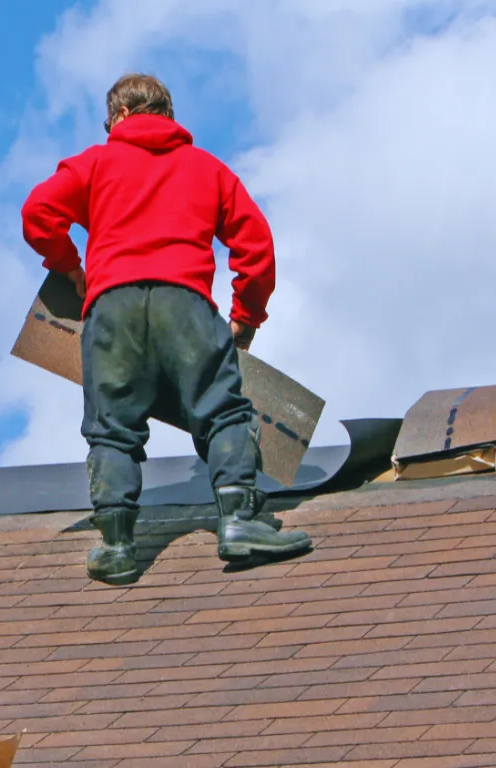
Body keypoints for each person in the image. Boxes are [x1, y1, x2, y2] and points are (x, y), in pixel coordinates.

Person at [20, 73, 312, 586]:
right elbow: (256, 247)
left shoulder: (93, 163)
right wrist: (246, 315)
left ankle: (115, 545)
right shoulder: (207, 169)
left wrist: (71, 267)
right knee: (222, 413)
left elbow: (38, 212)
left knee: (112, 427)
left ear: (118, 118)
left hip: (111, 307)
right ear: (168, 115)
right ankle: (239, 521)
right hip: (187, 306)